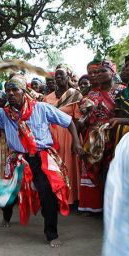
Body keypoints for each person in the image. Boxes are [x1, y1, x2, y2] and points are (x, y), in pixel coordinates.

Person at [0, 74, 84, 246]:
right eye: (8, 90)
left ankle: (51, 234)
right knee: (9, 193)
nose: (11, 94)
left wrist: (76, 143)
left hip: (41, 158)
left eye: (15, 90)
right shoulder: (4, 114)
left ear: (24, 91)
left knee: (48, 193)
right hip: (18, 160)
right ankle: (7, 216)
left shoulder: (41, 108)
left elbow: (69, 121)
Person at [78, 59, 125, 214]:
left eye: (103, 71)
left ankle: (113, 207)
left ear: (113, 72)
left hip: (114, 134)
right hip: (94, 136)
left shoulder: (121, 91)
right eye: (97, 72)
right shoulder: (91, 93)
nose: (98, 74)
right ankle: (97, 205)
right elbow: (86, 115)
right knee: (94, 169)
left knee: (112, 169)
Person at [45, 64, 84, 206]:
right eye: (56, 75)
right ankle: (56, 197)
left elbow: (78, 120)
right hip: (52, 137)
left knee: (68, 167)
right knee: (54, 167)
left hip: (69, 135)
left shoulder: (75, 95)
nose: (59, 77)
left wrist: (75, 140)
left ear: (68, 77)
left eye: (62, 74)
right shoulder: (48, 97)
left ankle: (70, 198)